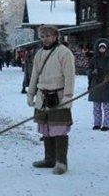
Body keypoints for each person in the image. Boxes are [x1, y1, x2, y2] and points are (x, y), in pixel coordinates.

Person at [27, 26, 75, 175]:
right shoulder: (39, 54)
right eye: (42, 36)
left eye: (48, 35)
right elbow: (34, 75)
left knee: (59, 129)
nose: (45, 39)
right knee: (46, 130)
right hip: (42, 96)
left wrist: (68, 96)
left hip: (59, 97)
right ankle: (49, 159)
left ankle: (61, 162)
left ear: (55, 36)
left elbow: (70, 76)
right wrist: (31, 93)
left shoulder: (64, 53)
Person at [87, 39, 109, 131]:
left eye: (103, 47)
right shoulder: (93, 59)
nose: (102, 49)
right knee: (96, 106)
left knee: (106, 106)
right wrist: (92, 72)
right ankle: (97, 123)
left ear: (106, 48)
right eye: (100, 47)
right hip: (95, 85)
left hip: (106, 84)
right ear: (98, 48)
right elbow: (88, 70)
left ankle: (106, 125)